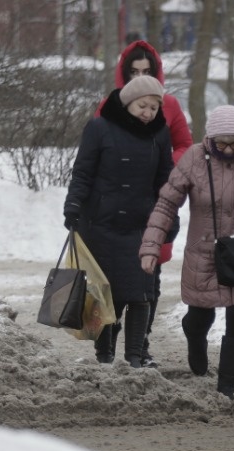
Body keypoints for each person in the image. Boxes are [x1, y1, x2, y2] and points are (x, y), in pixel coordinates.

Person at [139, 106, 234, 399]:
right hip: (204, 251)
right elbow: (167, 204)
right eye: (222, 143)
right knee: (199, 315)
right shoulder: (194, 158)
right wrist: (151, 246)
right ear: (210, 139)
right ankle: (194, 338)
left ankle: (227, 387)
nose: (229, 149)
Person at [64, 75, 174, 368]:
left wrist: (168, 218)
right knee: (105, 293)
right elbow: (83, 172)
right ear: (127, 103)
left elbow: (165, 182)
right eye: (142, 105)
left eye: (153, 107)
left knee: (140, 293)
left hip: (141, 225)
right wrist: (73, 205)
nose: (148, 112)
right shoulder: (99, 128)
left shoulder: (159, 134)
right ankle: (104, 356)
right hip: (101, 223)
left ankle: (135, 357)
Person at [97, 40, 194, 367]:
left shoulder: (169, 106)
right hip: (114, 207)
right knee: (110, 282)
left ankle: (141, 347)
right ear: (123, 74)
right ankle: (106, 345)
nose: (139, 77)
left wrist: (164, 163)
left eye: (146, 71)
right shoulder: (109, 105)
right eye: (133, 72)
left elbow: (184, 144)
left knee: (148, 282)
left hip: (154, 200)